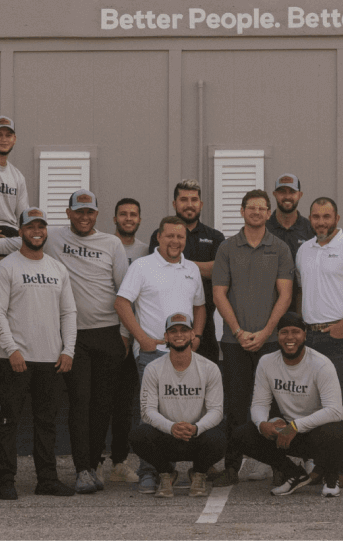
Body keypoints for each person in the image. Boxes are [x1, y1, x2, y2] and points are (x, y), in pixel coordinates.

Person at [0, 189, 130, 494]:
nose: (84, 217)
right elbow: (11, 250)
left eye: (90, 212)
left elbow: (107, 297)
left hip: (84, 343)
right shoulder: (31, 251)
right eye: (79, 212)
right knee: (44, 413)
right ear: (69, 213)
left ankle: (70, 471)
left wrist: (120, 336)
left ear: (97, 215)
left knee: (77, 413)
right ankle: (30, 478)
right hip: (45, 348)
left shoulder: (95, 251)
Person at [0, 206, 79, 499]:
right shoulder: (6, 267)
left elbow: (69, 312)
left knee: (47, 423)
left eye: (41, 227)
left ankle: (47, 480)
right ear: (21, 230)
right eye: (30, 227)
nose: (37, 232)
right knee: (8, 421)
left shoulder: (56, 269)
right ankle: (5, 480)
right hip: (16, 360)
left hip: (51, 360)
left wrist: (69, 350)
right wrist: (10, 349)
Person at [117, 214, 208, 493]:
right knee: (150, 413)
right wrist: (142, 338)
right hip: (152, 354)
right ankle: (150, 471)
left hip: (184, 354)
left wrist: (197, 336)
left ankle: (183, 469)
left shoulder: (191, 268)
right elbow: (122, 302)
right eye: (170, 235)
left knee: (187, 411)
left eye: (180, 236)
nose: (175, 241)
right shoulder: (143, 266)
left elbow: (200, 307)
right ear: (159, 236)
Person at [212, 188, 296, 483]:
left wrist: (265, 333)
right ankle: (232, 467)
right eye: (251, 207)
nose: (257, 212)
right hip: (234, 342)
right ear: (242, 211)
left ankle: (278, 467)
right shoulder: (227, 248)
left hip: (270, 341)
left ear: (269, 213)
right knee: (235, 407)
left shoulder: (281, 248)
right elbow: (219, 294)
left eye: (262, 208)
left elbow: (285, 295)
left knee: (274, 406)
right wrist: (238, 331)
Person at [293, 196, 343, 487]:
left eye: (326, 217)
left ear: (337, 218)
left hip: (340, 339)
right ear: (310, 219)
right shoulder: (304, 250)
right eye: (316, 217)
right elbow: (304, 291)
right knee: (316, 406)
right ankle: (322, 467)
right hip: (311, 337)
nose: (321, 222)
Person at [239, 313, 343, 498]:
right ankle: (293, 474)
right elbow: (259, 403)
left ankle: (330, 476)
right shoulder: (267, 362)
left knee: (335, 430)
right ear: (277, 336)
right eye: (284, 332)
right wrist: (261, 424)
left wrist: (296, 426)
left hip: (317, 432)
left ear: (305, 335)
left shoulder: (321, 364)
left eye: (295, 332)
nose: (290, 337)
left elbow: (335, 410)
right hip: (289, 432)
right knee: (243, 434)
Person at [131, 313, 227, 498]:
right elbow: (147, 411)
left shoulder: (209, 368)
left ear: (193, 335)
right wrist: (171, 427)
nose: (178, 334)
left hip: (196, 435)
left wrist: (196, 428)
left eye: (184, 330)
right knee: (139, 435)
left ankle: (198, 473)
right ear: (166, 337)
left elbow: (216, 411)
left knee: (220, 437)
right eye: (173, 331)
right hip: (167, 436)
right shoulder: (153, 368)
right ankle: (166, 473)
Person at [148, 180, 225, 363]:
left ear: (201, 204)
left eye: (194, 199)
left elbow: (219, 271)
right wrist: (201, 266)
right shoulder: (158, 235)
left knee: (205, 381)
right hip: (166, 324)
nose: (189, 204)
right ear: (174, 204)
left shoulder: (215, 237)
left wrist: (179, 263)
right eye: (183, 199)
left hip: (204, 325)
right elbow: (158, 268)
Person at [105, 197, 149, 484]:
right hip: (108, 331)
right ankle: (95, 460)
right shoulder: (104, 245)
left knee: (126, 403)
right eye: (123, 214)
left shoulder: (147, 251)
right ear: (115, 218)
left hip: (139, 336)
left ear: (140, 219)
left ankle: (120, 461)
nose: (128, 218)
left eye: (133, 214)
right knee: (100, 401)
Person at [267, 173, 312, 255]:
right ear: (275, 194)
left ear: (300, 195)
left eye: (292, 192)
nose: (287, 196)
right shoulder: (264, 228)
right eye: (282, 192)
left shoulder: (310, 230)